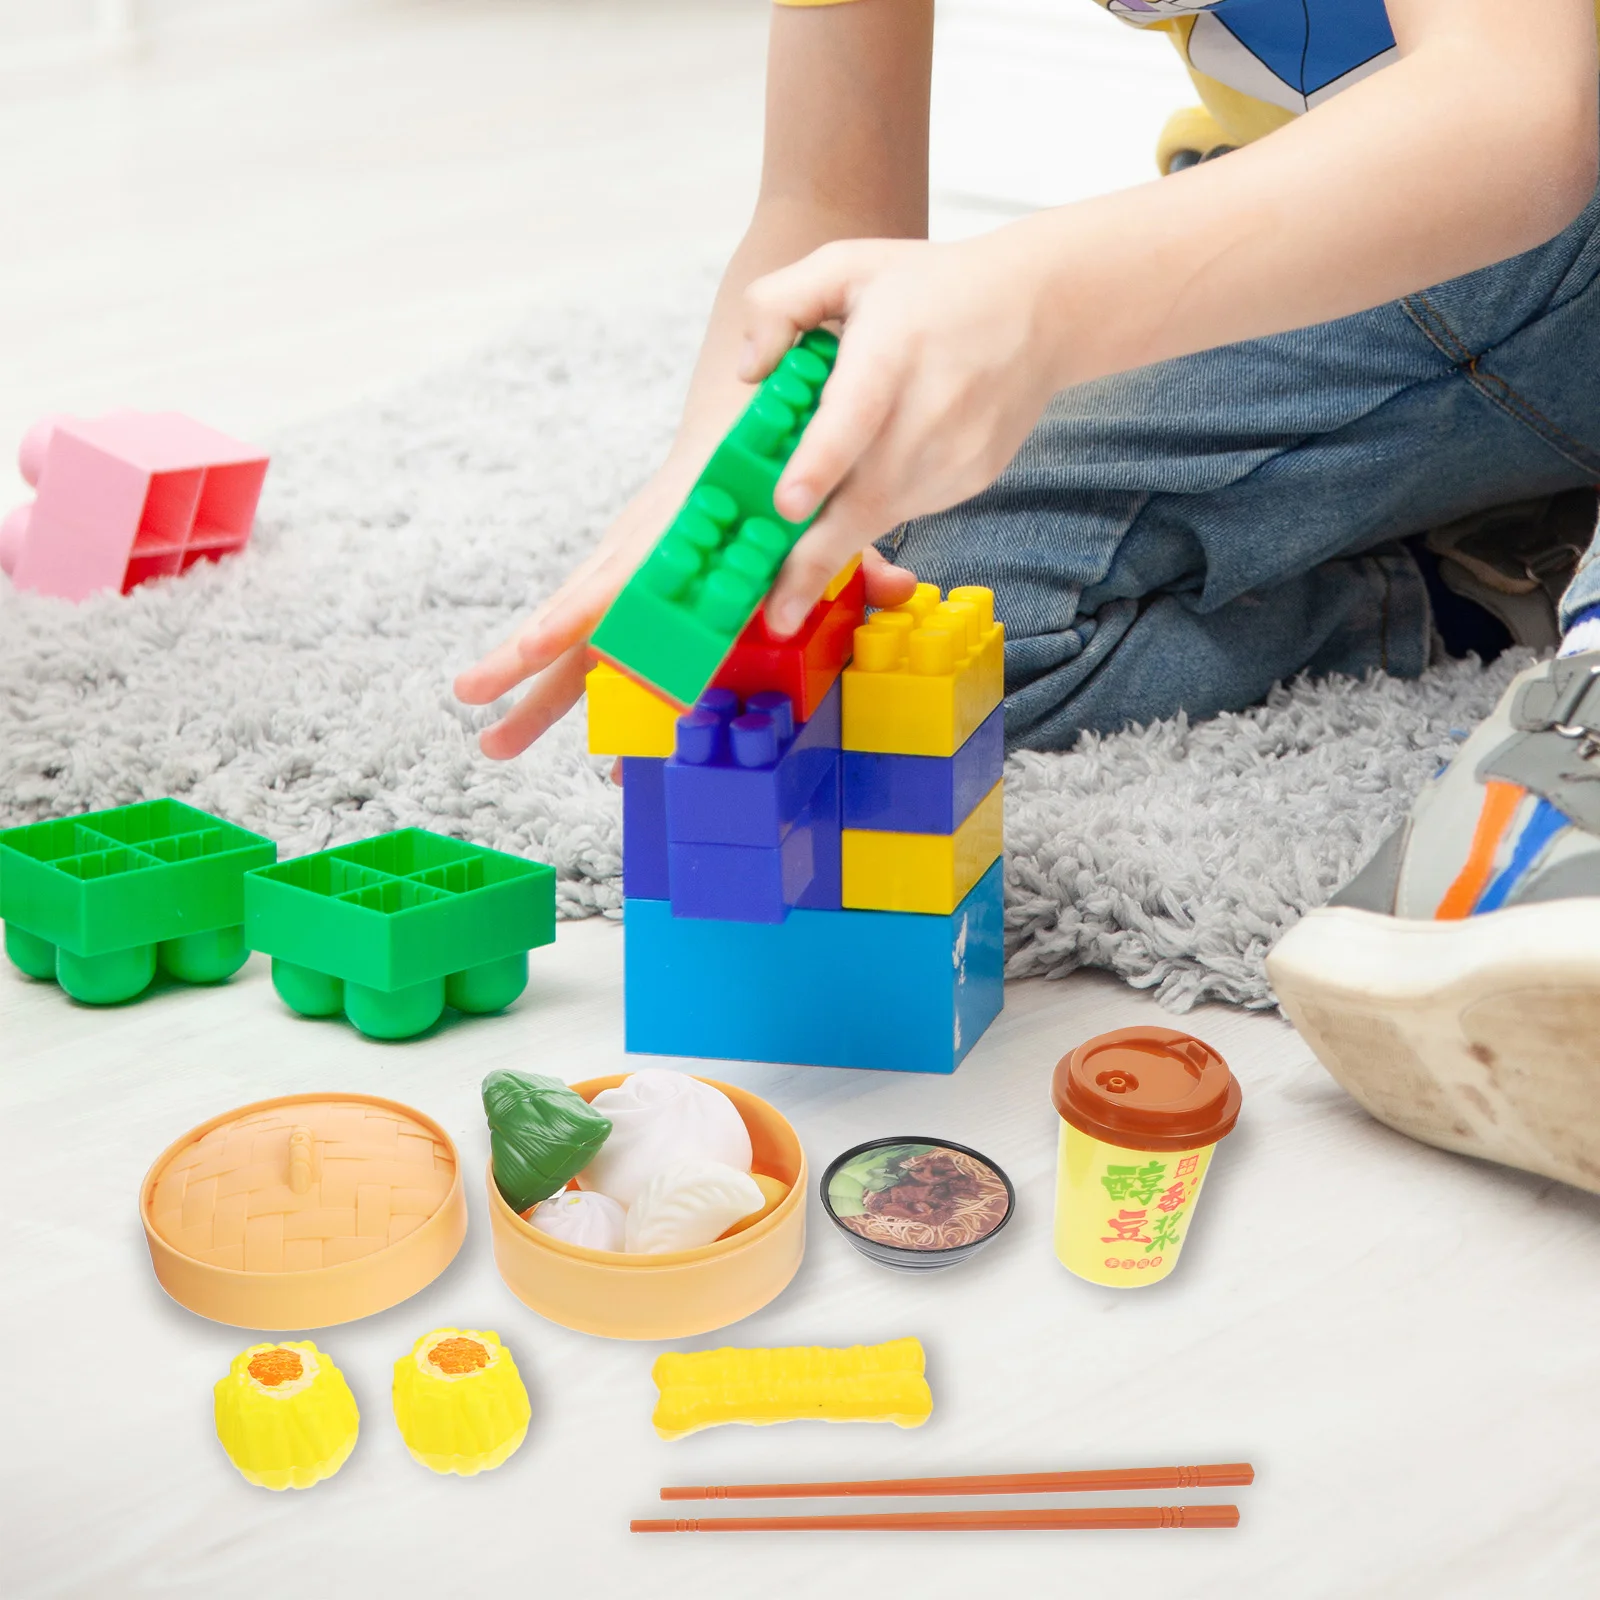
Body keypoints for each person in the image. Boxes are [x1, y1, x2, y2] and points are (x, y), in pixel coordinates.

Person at [456, 0, 1600, 1191]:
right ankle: (1478, 576)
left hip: (1542, 174)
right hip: (1379, 236)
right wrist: (728, 491)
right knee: (918, 593)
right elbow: (823, 201)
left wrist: (1037, 304)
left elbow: (1517, 102)